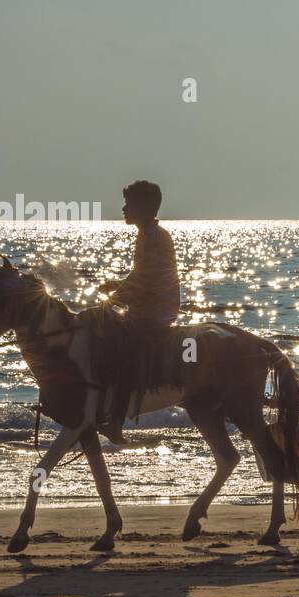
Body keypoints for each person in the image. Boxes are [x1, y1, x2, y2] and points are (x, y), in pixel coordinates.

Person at [96, 180, 180, 443]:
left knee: (121, 350)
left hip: (154, 312)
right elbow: (140, 276)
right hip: (147, 308)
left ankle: (116, 421)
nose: (123, 209)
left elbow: (146, 280)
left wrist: (116, 296)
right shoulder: (148, 235)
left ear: (143, 207)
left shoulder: (153, 237)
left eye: (129, 204)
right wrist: (118, 287)